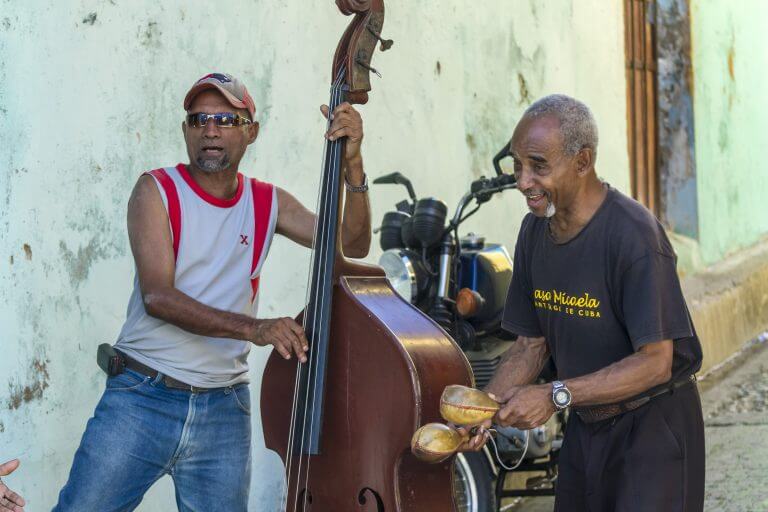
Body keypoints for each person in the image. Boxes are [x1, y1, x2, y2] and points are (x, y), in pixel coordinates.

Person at [54, 72, 371, 511]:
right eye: (198, 119)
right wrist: (255, 329)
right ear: (185, 130)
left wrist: (353, 164)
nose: (210, 130)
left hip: (223, 410)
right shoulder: (156, 191)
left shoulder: (267, 203)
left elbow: (351, 245)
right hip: (142, 397)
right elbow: (158, 297)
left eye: (226, 119)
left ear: (251, 132)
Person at [461, 94, 704, 511]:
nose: (522, 181)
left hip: (652, 432)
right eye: (517, 165)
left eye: (538, 165)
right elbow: (530, 345)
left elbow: (655, 362)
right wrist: (483, 409)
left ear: (583, 161)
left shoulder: (634, 236)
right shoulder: (534, 233)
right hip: (586, 425)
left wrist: (554, 395)